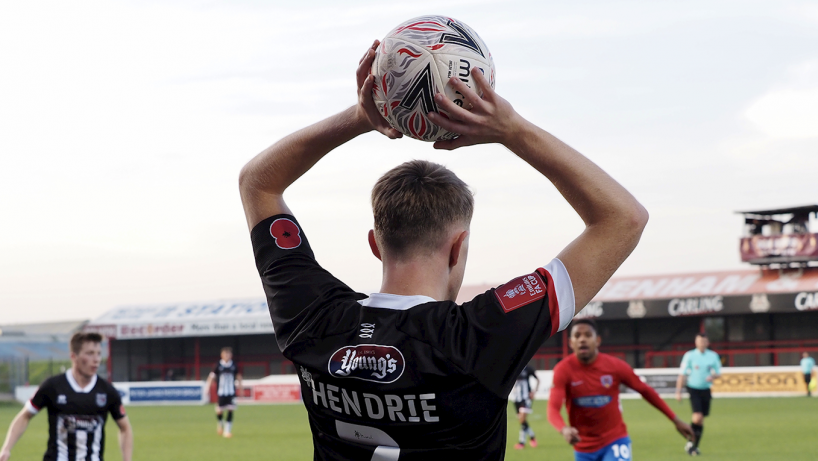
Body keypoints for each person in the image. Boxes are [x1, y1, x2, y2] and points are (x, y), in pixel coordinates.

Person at [238, 39, 648, 459]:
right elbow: (623, 218)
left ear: (375, 244)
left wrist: (360, 116)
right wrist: (512, 129)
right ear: (458, 247)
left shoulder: (315, 318)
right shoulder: (482, 335)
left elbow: (258, 182)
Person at [548, 319, 693, 461]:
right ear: (571, 342)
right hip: (582, 448)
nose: (582, 340)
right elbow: (553, 409)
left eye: (587, 335)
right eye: (577, 336)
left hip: (615, 440)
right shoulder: (563, 370)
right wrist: (564, 429)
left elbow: (645, 391)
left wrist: (675, 419)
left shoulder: (615, 366)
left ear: (597, 340)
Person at [0, 332, 132, 461]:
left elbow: (125, 428)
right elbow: (25, 416)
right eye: (90, 353)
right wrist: (6, 448)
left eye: (98, 354)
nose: (97, 359)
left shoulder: (107, 391)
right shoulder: (53, 386)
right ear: (74, 356)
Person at [675, 333, 721, 456]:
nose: (701, 344)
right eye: (699, 341)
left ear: (707, 343)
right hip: (693, 388)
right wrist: (678, 391)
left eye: (704, 341)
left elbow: (718, 372)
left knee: (700, 421)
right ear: (696, 342)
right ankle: (691, 443)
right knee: (697, 417)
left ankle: (693, 446)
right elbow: (682, 374)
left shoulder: (713, 356)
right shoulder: (689, 356)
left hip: (706, 389)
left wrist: (713, 376)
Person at [204, 347, 243, 438]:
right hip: (221, 392)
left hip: (231, 392)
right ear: (222, 355)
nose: (227, 356)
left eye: (228, 354)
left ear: (231, 355)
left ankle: (227, 431)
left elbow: (238, 376)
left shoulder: (234, 365)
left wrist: (241, 388)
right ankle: (220, 423)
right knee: (219, 411)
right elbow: (211, 377)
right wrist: (207, 388)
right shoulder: (218, 365)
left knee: (230, 409)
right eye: (225, 354)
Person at [512, 365, 540, 450]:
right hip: (516, 398)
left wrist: (534, 392)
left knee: (522, 419)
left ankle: (522, 442)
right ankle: (532, 436)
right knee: (522, 421)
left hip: (526, 398)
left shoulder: (528, 368)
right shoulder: (514, 368)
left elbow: (538, 380)